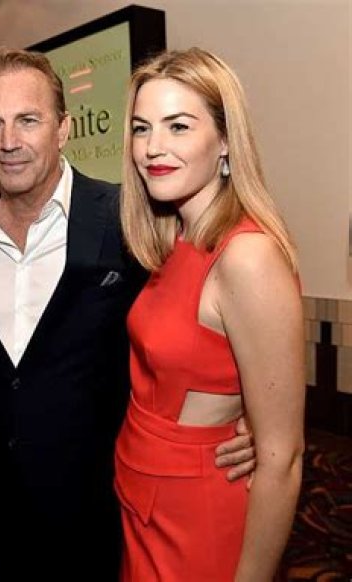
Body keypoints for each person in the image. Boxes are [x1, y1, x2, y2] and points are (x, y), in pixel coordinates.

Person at [0, 47, 256, 581]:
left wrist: (245, 410)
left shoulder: (128, 217)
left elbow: (194, 315)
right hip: (0, 505)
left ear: (64, 128)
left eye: (28, 120)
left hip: (104, 507)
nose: (10, 141)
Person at [115, 47, 304, 581]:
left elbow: (283, 458)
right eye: (142, 128)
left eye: (178, 126)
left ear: (224, 141)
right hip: (144, 502)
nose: (153, 147)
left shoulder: (247, 256)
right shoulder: (176, 238)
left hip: (196, 517)